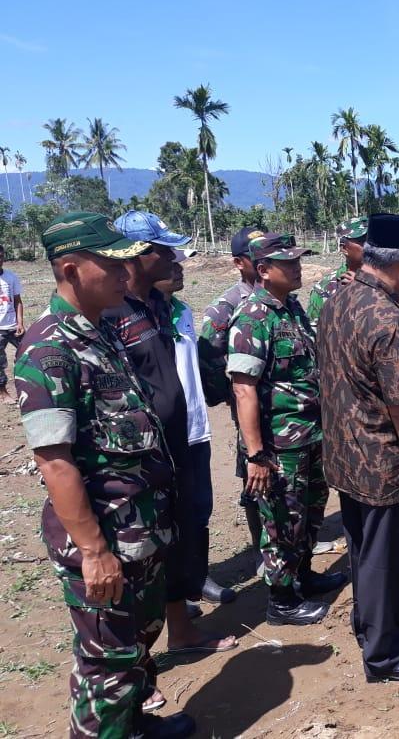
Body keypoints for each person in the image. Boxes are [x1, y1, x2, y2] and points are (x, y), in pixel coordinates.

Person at [15, 211, 195, 738]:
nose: (126, 273)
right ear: (70, 269)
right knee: (106, 668)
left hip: (140, 529)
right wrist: (94, 551)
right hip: (105, 537)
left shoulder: (104, 330)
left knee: (136, 645)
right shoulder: (48, 350)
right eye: (111, 264)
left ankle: (136, 726)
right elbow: (55, 461)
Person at [105, 211, 237, 682]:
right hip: (143, 456)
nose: (175, 258)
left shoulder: (165, 309)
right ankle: (134, 667)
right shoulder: (110, 315)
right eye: (164, 250)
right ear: (135, 257)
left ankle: (180, 630)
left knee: (188, 526)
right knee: (142, 553)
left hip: (188, 440)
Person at [320, 212, 399, 682]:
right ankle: (384, 654)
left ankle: (373, 620)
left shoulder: (338, 299)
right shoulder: (389, 319)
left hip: (345, 453)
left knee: (362, 548)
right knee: (385, 553)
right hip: (382, 460)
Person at [227, 233, 347, 625]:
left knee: (309, 513)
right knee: (281, 521)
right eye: (288, 263)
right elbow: (244, 390)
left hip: (310, 436)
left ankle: (305, 576)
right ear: (263, 270)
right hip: (279, 445)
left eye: (298, 261)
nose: (297, 268)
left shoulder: (291, 309)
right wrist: (257, 455)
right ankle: (281, 601)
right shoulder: (252, 318)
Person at [154, 247, 236, 606]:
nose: (178, 269)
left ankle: (197, 578)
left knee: (198, 507)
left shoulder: (182, 311)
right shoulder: (130, 315)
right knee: (167, 515)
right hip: (161, 434)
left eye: (179, 262)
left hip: (194, 428)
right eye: (169, 263)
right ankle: (173, 593)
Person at [197, 226, 265, 571]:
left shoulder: (281, 294)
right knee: (254, 471)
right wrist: (230, 397)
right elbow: (208, 357)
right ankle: (261, 545)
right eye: (256, 255)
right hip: (247, 404)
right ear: (240, 263)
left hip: (285, 409)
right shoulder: (227, 306)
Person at [306, 215, 367, 334]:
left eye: (373, 240)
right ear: (344, 248)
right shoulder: (325, 288)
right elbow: (314, 334)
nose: (370, 246)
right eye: (363, 241)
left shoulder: (389, 281)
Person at [0, 244, 25, 404]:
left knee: (30, 352)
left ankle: (29, 384)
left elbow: (17, 301)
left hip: (14, 326)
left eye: (1, 257)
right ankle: (3, 393)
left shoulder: (11, 277)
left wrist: (20, 322)